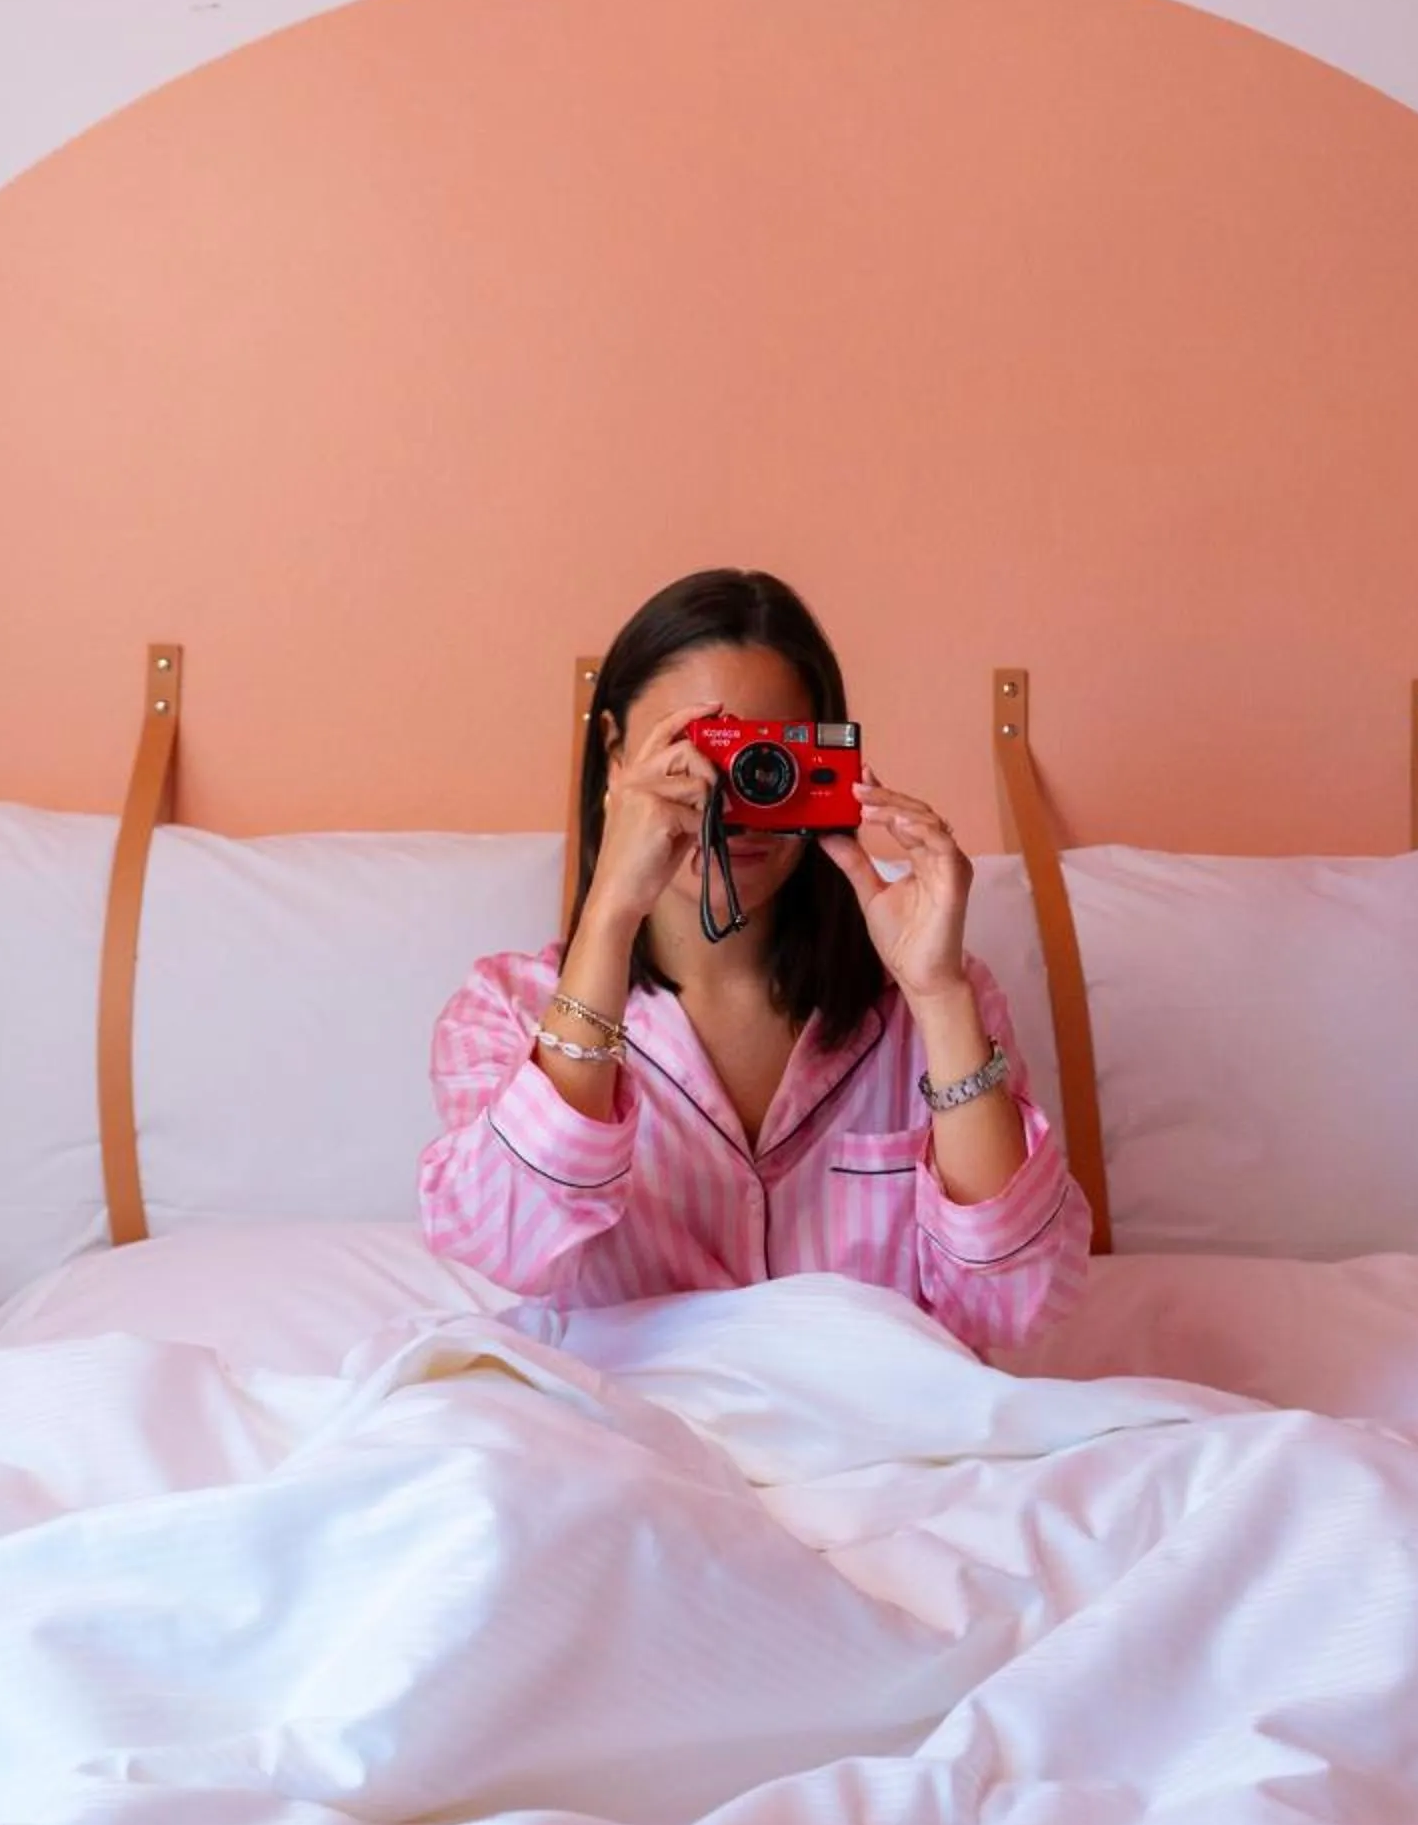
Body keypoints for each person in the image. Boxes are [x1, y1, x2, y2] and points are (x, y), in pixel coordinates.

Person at [419, 568, 1089, 1363]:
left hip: (873, 1439)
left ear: (824, 761)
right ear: (614, 755)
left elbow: (1015, 1307)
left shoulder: (937, 1003)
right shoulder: (505, 1007)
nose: (732, 798)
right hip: (632, 1432)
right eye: (699, 752)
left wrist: (939, 997)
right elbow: (502, 1243)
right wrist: (607, 921)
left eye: (768, 760)